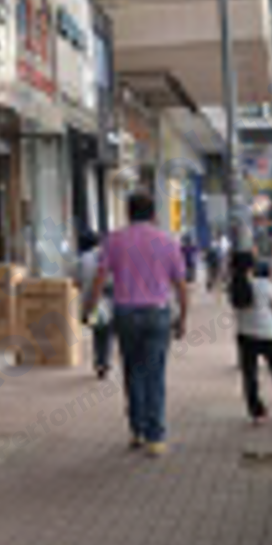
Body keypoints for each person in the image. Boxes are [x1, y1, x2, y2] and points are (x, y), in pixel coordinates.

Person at [85, 192, 190, 456]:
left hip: (125, 314)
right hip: (157, 313)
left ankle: (137, 430)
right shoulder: (167, 242)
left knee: (133, 372)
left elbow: (100, 277)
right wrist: (183, 318)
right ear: (153, 214)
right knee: (155, 374)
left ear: (128, 212)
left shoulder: (114, 240)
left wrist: (90, 308)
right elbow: (181, 284)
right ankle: (156, 437)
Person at [228, 249, 272, 425]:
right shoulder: (264, 285)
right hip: (269, 336)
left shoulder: (234, 287)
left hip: (245, 336)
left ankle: (257, 413)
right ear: (251, 266)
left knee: (250, 376)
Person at [76, 230, 114, 381]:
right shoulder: (108, 255)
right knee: (107, 331)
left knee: (98, 331)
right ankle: (104, 362)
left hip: (90, 302)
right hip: (109, 299)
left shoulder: (82, 259)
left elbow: (76, 281)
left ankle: (100, 361)